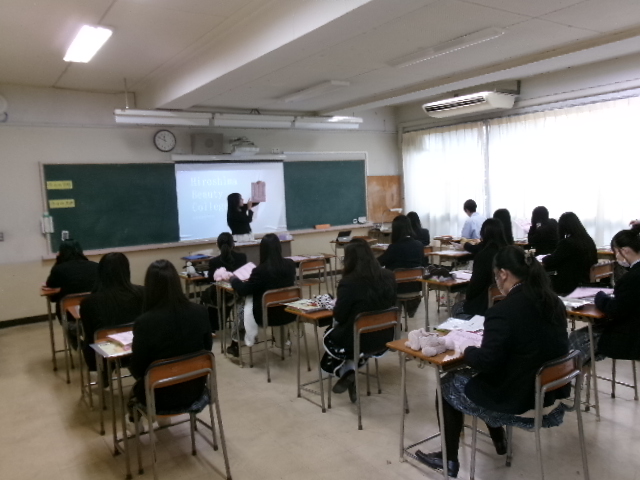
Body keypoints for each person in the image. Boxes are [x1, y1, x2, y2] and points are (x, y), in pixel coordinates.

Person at [416, 246, 570, 477]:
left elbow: (486, 363)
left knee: (447, 383)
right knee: (482, 378)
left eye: (496, 275)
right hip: (548, 392)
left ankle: (448, 459)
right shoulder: (553, 301)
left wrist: (467, 349)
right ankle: (499, 441)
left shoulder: (504, 311)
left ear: (504, 274)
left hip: (520, 397)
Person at [130, 260, 212, 412]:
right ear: (176, 283)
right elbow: (207, 349)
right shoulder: (200, 312)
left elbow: (138, 370)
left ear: (149, 287)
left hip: (157, 396)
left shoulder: (145, 322)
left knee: (134, 392)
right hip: (195, 389)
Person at [321, 240, 397, 403]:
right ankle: (349, 370)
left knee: (332, 332)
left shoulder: (349, 282)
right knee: (355, 332)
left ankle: (346, 371)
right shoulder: (389, 275)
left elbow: (340, 316)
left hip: (358, 339)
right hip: (385, 335)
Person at [569, 225, 640, 362]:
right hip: (633, 328)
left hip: (629, 337)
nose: (616, 256)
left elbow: (615, 309)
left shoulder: (632, 278)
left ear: (625, 250)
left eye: (616, 252)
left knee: (577, 338)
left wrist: (600, 297)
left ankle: (570, 373)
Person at [227, 234, 297, 357]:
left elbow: (244, 290)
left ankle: (235, 342)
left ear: (262, 250)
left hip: (265, 316)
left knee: (241, 303)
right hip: (288, 312)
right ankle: (281, 339)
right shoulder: (290, 265)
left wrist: (234, 279)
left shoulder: (260, 271)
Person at [79, 253, 144, 371]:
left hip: (103, 356)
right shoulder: (142, 293)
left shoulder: (89, 302)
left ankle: (104, 375)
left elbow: (90, 334)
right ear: (127, 271)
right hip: (137, 350)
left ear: (100, 272)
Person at [378, 215, 424, 317]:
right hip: (416, 288)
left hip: (397, 290)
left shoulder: (394, 247)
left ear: (395, 230)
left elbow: (379, 263)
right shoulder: (419, 245)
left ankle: (389, 317)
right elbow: (423, 264)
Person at [460, 219, 508, 316]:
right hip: (506, 304)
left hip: (484, 306)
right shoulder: (508, 253)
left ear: (483, 234)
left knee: (457, 308)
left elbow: (475, 287)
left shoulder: (483, 255)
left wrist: (467, 296)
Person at [542, 212, 597, 296]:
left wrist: (544, 258)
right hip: (585, 281)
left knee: (540, 280)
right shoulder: (588, 240)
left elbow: (552, 260)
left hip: (569, 284)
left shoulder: (567, 243)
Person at [201, 232, 248, 330]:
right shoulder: (242, 257)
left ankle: (212, 327)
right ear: (233, 244)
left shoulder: (214, 261)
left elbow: (210, 279)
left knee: (206, 295)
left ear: (218, 245)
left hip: (222, 295)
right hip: (239, 292)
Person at [46, 239, 99, 318]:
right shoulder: (95, 266)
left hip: (68, 313)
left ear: (61, 253)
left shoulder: (59, 269)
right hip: (94, 309)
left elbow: (50, 286)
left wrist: (58, 262)